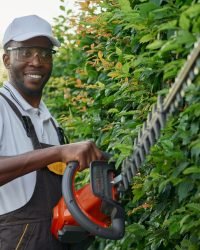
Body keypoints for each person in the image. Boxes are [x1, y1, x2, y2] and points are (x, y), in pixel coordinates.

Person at [0, 15, 104, 250]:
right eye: (26, 52)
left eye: (45, 53)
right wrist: (58, 153)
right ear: (7, 60)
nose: (37, 61)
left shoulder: (49, 122)